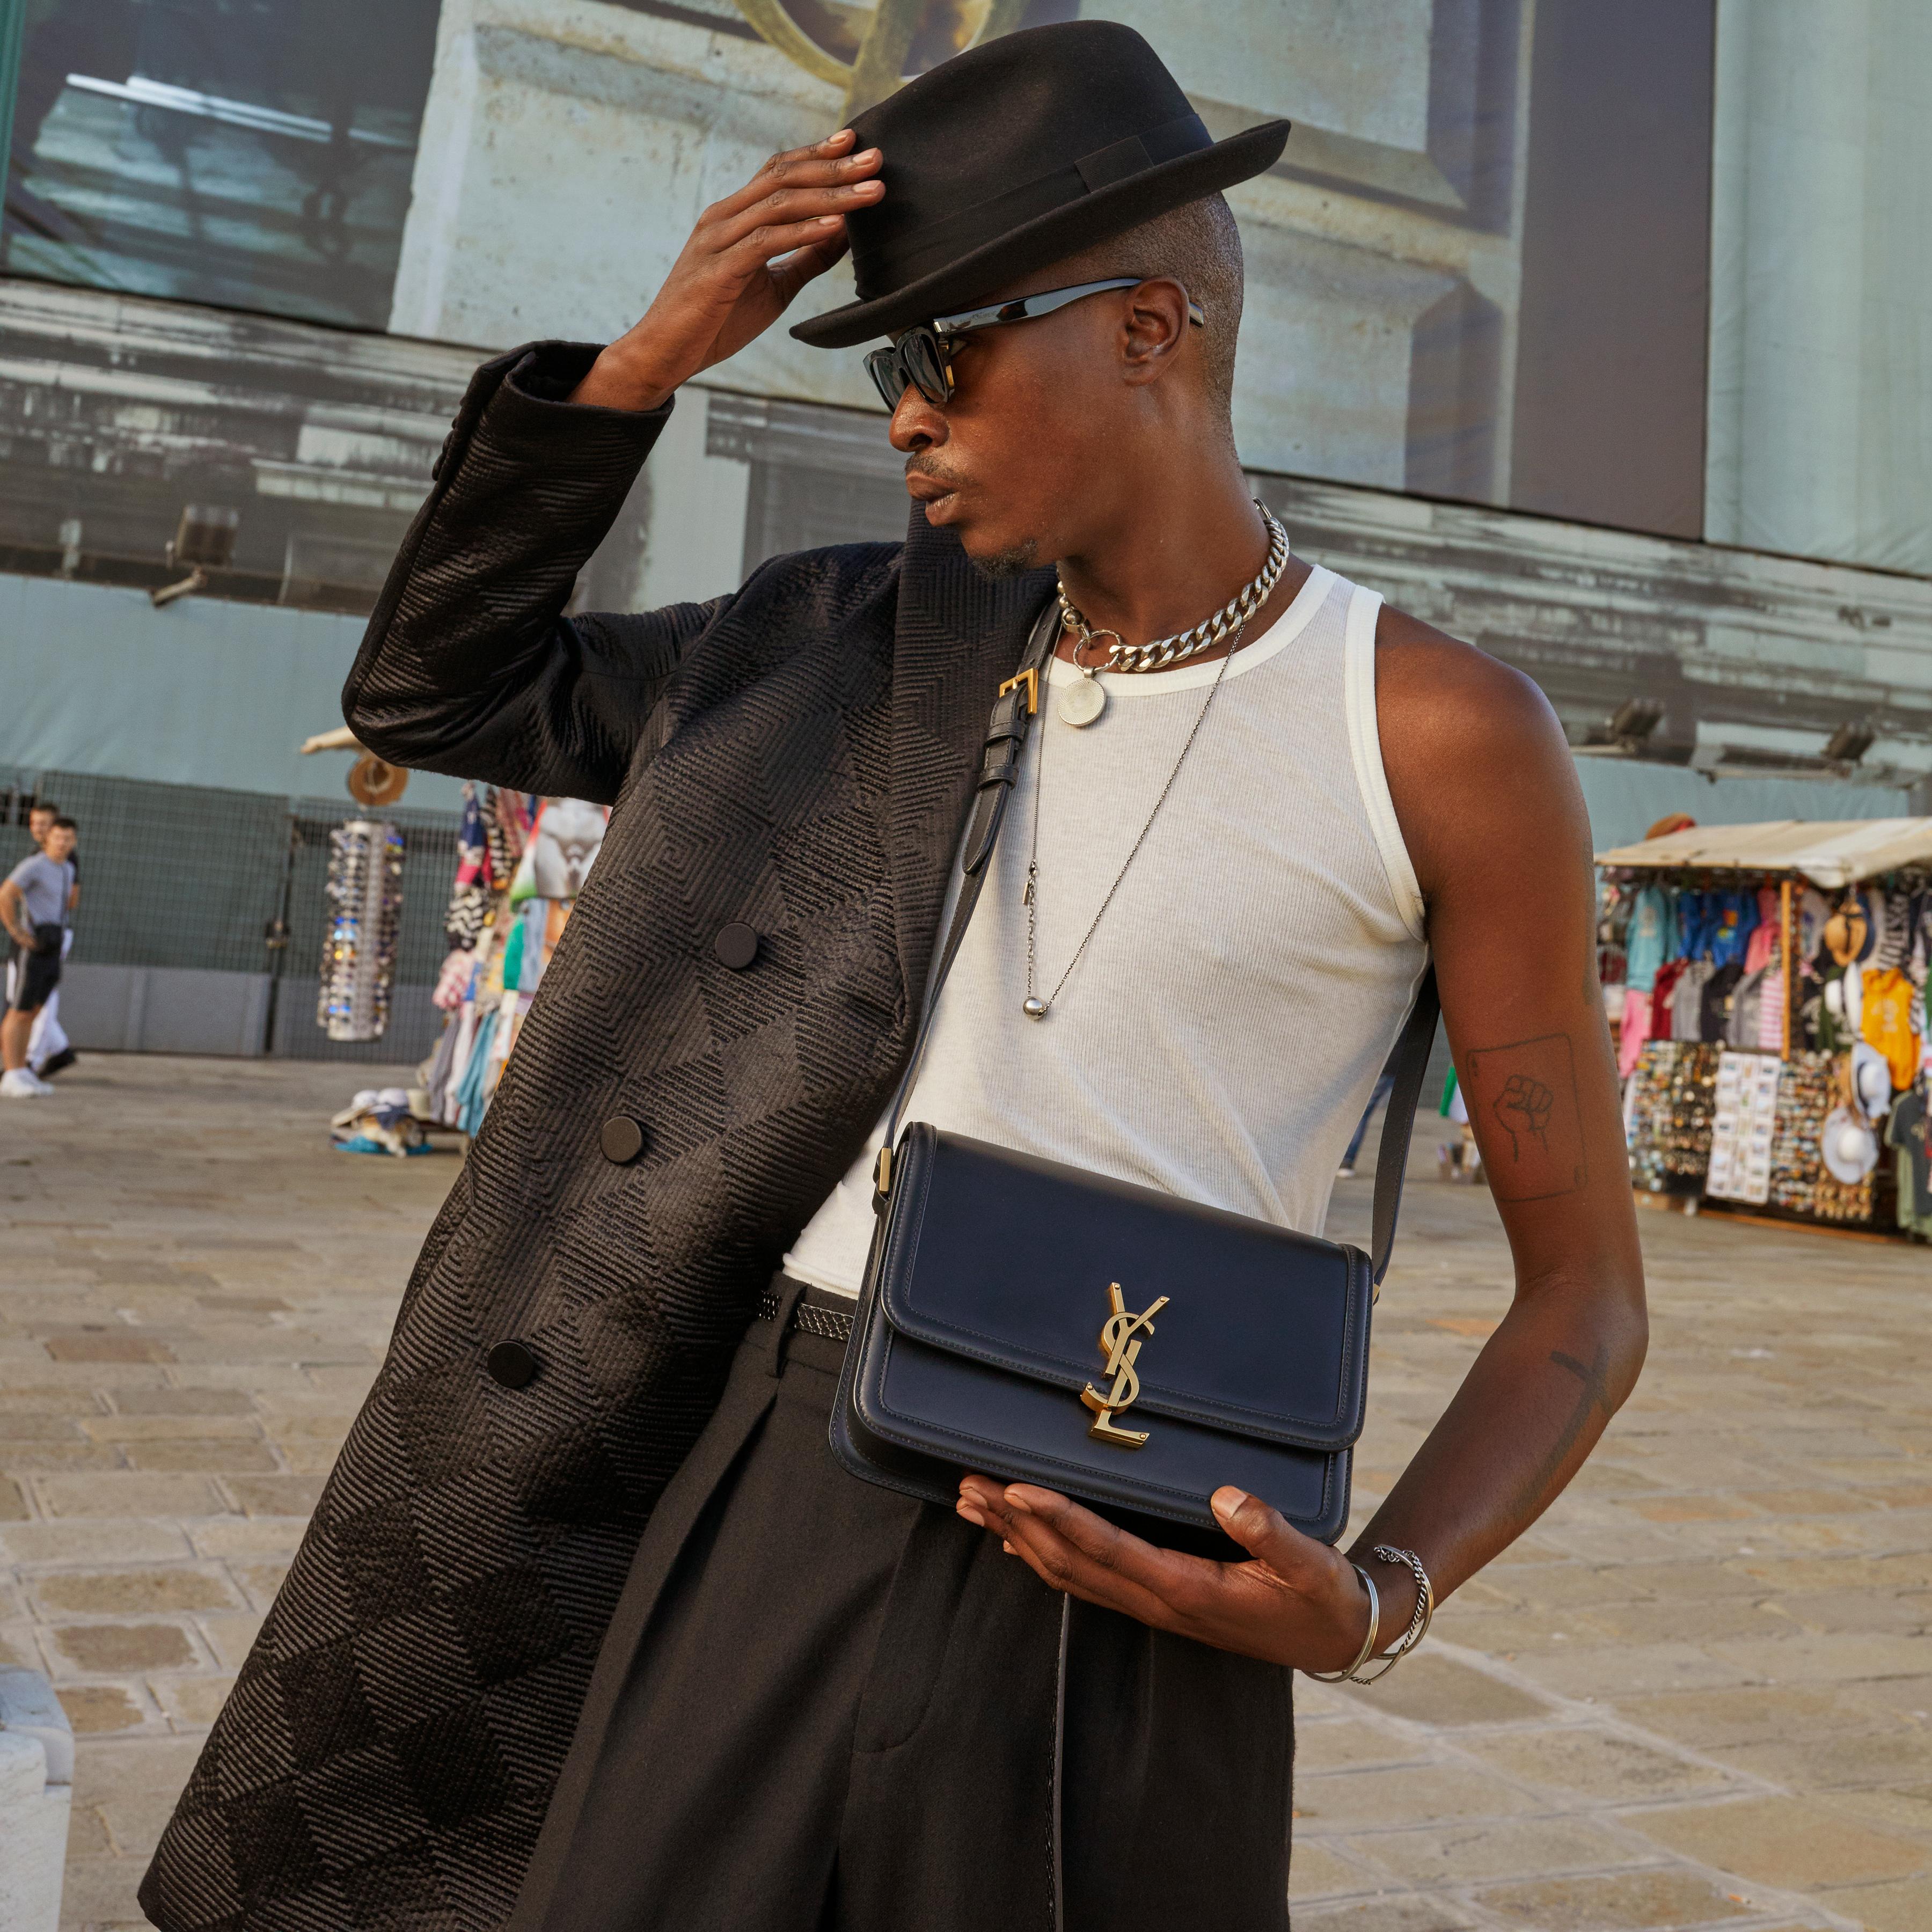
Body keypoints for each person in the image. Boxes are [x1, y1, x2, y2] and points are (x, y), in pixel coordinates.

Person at [142, 24, 1648, 1932]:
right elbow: (435, 689)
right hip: (778, 1464)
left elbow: (1586, 1295)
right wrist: (641, 367)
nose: (903, 415)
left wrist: (1380, 1593)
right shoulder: (824, 648)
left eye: (949, 348)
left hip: (1144, 1539)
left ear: (1151, 328)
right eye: (884, 365)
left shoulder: (1434, 732)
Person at [1, 816, 77, 1099]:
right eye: (58, 838)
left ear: (74, 841)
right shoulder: (34, 865)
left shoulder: (68, 869)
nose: (62, 843)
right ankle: (10, 1073)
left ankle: (22, 1071)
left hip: (53, 947)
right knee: (18, 1009)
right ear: (48, 839)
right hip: (31, 949)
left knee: (34, 1010)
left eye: (68, 839)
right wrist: (17, 932)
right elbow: (6, 894)